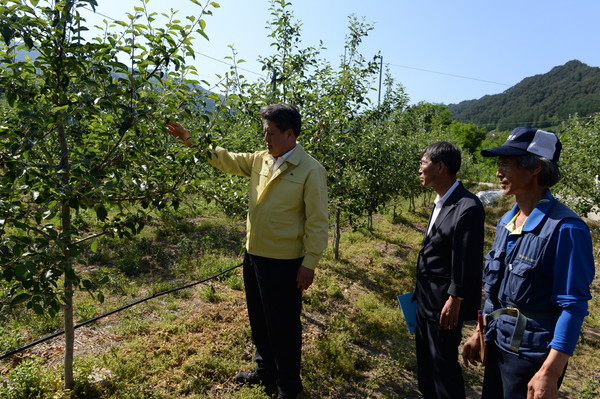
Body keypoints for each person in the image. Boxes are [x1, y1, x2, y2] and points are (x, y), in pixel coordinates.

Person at [166, 104, 329, 399]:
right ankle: (265, 370)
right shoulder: (260, 160)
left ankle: (288, 386)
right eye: (264, 133)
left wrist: (310, 263)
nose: (265, 139)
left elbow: (318, 221)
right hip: (254, 255)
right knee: (259, 318)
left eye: (271, 133)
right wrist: (190, 140)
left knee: (284, 326)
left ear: (290, 134)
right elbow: (225, 159)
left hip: (285, 262)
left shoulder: (311, 170)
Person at [462, 127, 595, 399]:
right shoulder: (506, 222)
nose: (498, 173)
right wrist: (480, 331)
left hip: (532, 355)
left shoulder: (566, 229)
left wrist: (550, 371)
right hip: (499, 344)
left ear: (535, 167)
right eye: (499, 164)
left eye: (506, 164)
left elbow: (572, 307)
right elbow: (495, 291)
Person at [413, 141, 485, 399]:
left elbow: (466, 258)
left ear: (440, 166)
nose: (419, 169)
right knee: (426, 363)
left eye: (423, 163)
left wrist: (455, 298)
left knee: (443, 366)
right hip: (425, 298)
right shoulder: (441, 201)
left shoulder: (467, 206)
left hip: (444, 303)